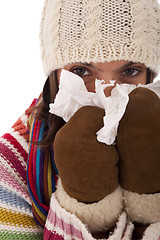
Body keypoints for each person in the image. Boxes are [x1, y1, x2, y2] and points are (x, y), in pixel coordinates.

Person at [0, 0, 160, 239]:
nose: (106, 93)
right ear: (55, 75)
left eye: (129, 72)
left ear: (149, 74)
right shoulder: (12, 167)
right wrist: (82, 205)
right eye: (81, 72)